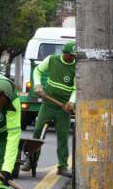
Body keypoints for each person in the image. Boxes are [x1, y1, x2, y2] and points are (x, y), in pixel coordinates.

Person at [24, 41, 76, 177]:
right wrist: (38, 85)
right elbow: (37, 70)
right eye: (71, 55)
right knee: (37, 130)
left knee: (63, 136)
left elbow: (76, 88)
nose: (72, 58)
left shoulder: (76, 66)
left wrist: (71, 102)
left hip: (63, 107)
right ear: (64, 53)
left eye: (74, 56)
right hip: (48, 103)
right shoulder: (52, 60)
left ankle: (63, 166)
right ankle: (31, 161)